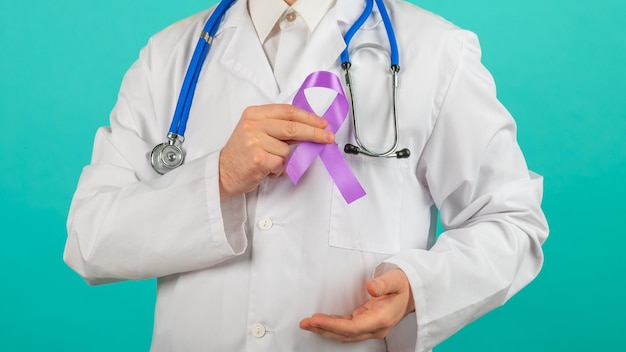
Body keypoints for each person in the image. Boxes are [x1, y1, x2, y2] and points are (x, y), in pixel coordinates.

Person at [63, 0, 549, 350]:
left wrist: (418, 289)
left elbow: (512, 221)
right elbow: (90, 240)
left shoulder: (435, 52)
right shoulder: (168, 58)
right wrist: (218, 178)